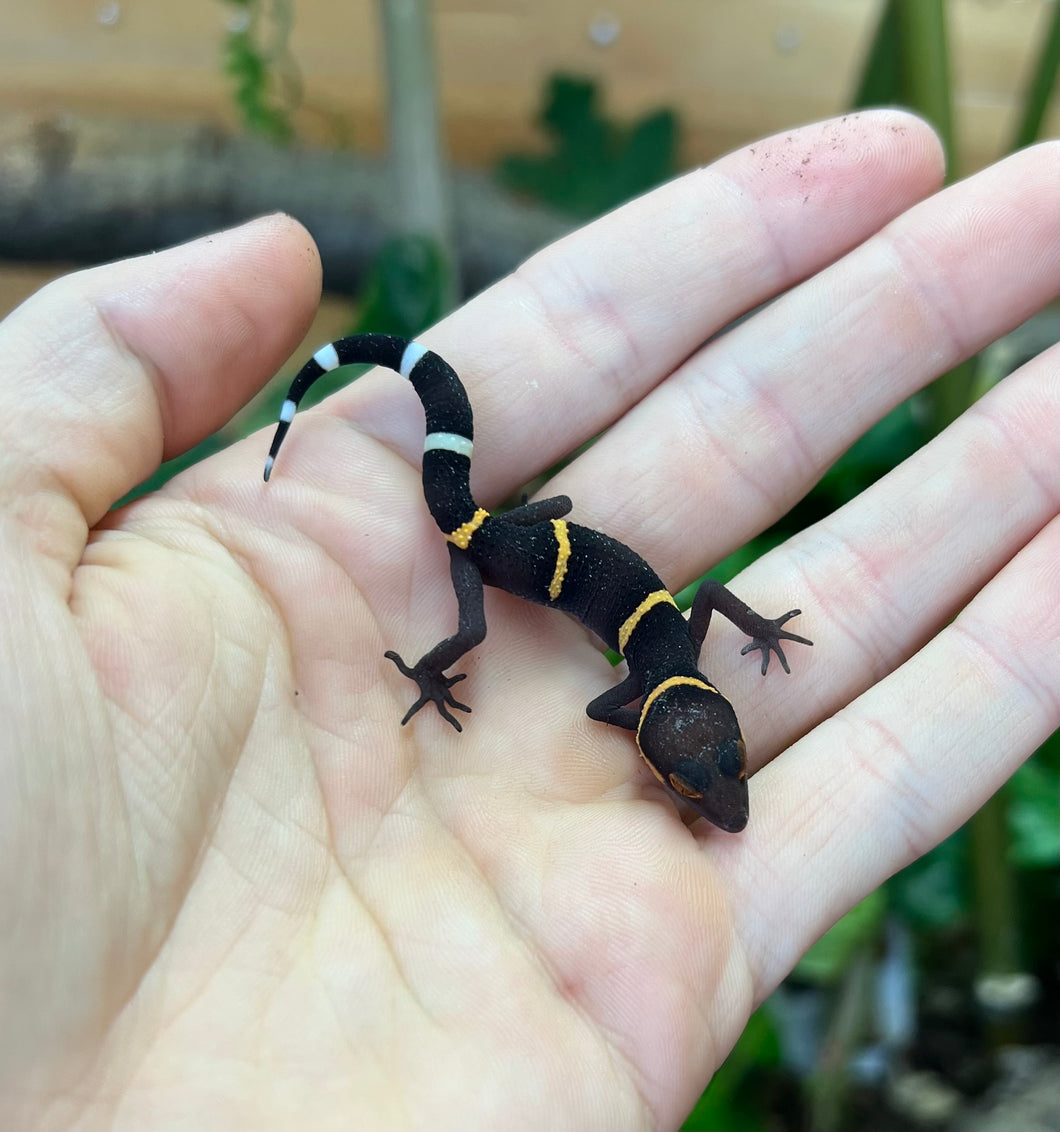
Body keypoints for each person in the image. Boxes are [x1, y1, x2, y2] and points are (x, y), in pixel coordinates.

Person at [0, 110, 1055, 1129]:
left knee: (492, 577)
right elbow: (648, 661)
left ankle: (406, 440)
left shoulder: (664, 668)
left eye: (709, 774)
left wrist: (704, 668)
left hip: (527, 540)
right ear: (691, 725)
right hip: (481, 547)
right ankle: (425, 662)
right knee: (471, 639)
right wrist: (644, 710)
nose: (718, 796)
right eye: (708, 776)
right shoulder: (656, 675)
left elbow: (665, 647)